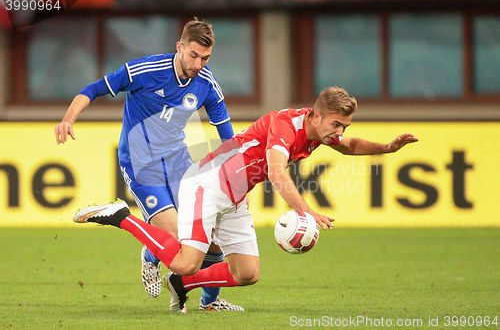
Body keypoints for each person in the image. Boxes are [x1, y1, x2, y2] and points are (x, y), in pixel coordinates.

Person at [73, 86, 418, 313]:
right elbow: (278, 172)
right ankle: (122, 216)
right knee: (185, 259)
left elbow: (351, 145)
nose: (340, 132)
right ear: (316, 115)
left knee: (247, 273)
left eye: (344, 125)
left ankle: (181, 285)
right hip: (208, 183)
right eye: (336, 124)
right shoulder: (287, 125)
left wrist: (387, 148)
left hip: (235, 195)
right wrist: (307, 211)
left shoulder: (322, 133)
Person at [55, 18, 244, 311]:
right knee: (178, 241)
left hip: (180, 163)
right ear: (179, 47)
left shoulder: (206, 84)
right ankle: (150, 255)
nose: (198, 63)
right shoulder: (144, 71)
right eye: (193, 55)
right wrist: (68, 119)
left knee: (212, 238)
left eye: (205, 58)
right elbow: (92, 89)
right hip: (142, 165)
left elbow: (227, 136)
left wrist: (234, 171)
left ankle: (210, 302)